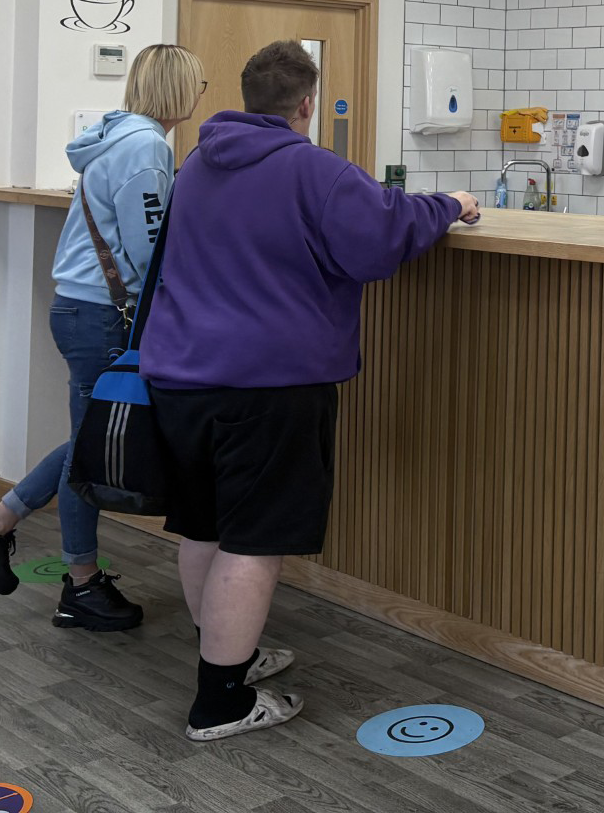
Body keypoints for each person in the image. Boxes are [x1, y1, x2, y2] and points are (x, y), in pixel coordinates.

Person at [139, 40, 480, 742]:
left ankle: (224, 650)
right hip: (269, 383)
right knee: (256, 540)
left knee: (202, 524)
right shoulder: (314, 169)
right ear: (305, 104)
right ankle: (221, 701)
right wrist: (450, 204)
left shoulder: (197, 163)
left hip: (178, 374)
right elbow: (382, 237)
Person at [0, 44, 208, 632]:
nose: (201, 94)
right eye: (198, 84)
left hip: (83, 309)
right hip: (106, 316)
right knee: (91, 446)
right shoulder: (145, 147)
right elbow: (150, 247)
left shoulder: (113, 137)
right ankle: (76, 582)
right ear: (175, 89)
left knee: (89, 437)